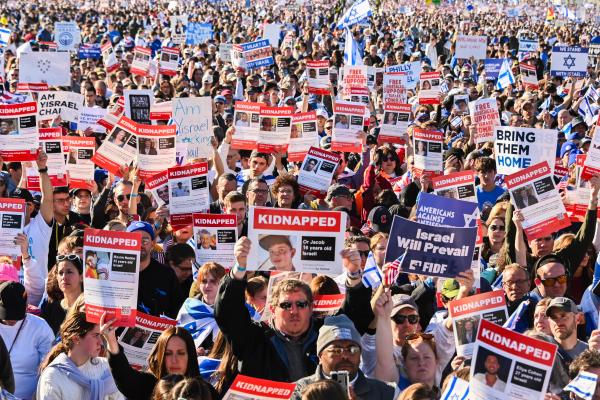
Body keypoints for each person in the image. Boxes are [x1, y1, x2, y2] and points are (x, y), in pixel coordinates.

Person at [214, 237, 373, 382]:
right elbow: (227, 313)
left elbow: (356, 318)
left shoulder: (326, 332)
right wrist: (240, 268)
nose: (294, 311)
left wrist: (353, 274)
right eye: (286, 305)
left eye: (301, 304)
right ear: (272, 308)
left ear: (311, 308)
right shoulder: (255, 340)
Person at [101, 316, 214, 400]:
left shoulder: (205, 391)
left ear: (190, 356)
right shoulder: (148, 384)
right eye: (168, 353)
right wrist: (111, 340)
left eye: (180, 353)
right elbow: (124, 377)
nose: (174, 360)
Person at [291, 314, 397, 399]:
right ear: (320, 356)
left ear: (360, 353)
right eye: (337, 350)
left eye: (352, 350)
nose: (345, 356)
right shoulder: (298, 392)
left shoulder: (386, 392)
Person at [36, 309, 124, 400]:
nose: (101, 342)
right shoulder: (53, 376)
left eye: (101, 336)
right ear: (76, 339)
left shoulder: (106, 367)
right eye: (95, 335)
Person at [0, 281, 54, 399]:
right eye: (8, 314)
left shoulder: (40, 326)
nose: (12, 319)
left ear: (26, 306)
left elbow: (49, 365)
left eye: (17, 313)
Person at [546, 297, 589, 365]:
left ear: (577, 319)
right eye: (553, 317)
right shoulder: (543, 352)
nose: (559, 322)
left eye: (563, 316)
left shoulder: (590, 352)